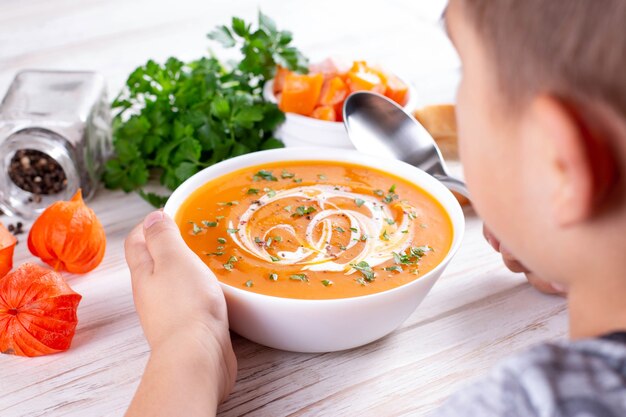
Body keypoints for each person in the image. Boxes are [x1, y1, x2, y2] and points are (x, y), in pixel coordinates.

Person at [123, 0, 626, 415]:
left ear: (559, 164)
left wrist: (189, 344)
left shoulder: (517, 404)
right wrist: (584, 257)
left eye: (464, 71)